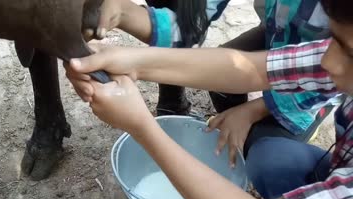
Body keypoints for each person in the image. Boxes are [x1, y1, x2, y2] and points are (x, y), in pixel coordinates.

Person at [64, 0, 352, 199]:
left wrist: (141, 126)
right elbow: (249, 69)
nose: (328, 61)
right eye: (333, 41)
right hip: (341, 166)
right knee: (269, 155)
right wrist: (132, 62)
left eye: (347, 52)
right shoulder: (339, 53)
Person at [88, 0, 342, 167]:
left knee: (267, 158)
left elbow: (331, 69)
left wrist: (142, 126)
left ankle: (287, 126)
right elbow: (192, 26)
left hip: (323, 81)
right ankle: (238, 124)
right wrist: (124, 13)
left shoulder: (340, 47)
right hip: (276, 34)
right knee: (222, 86)